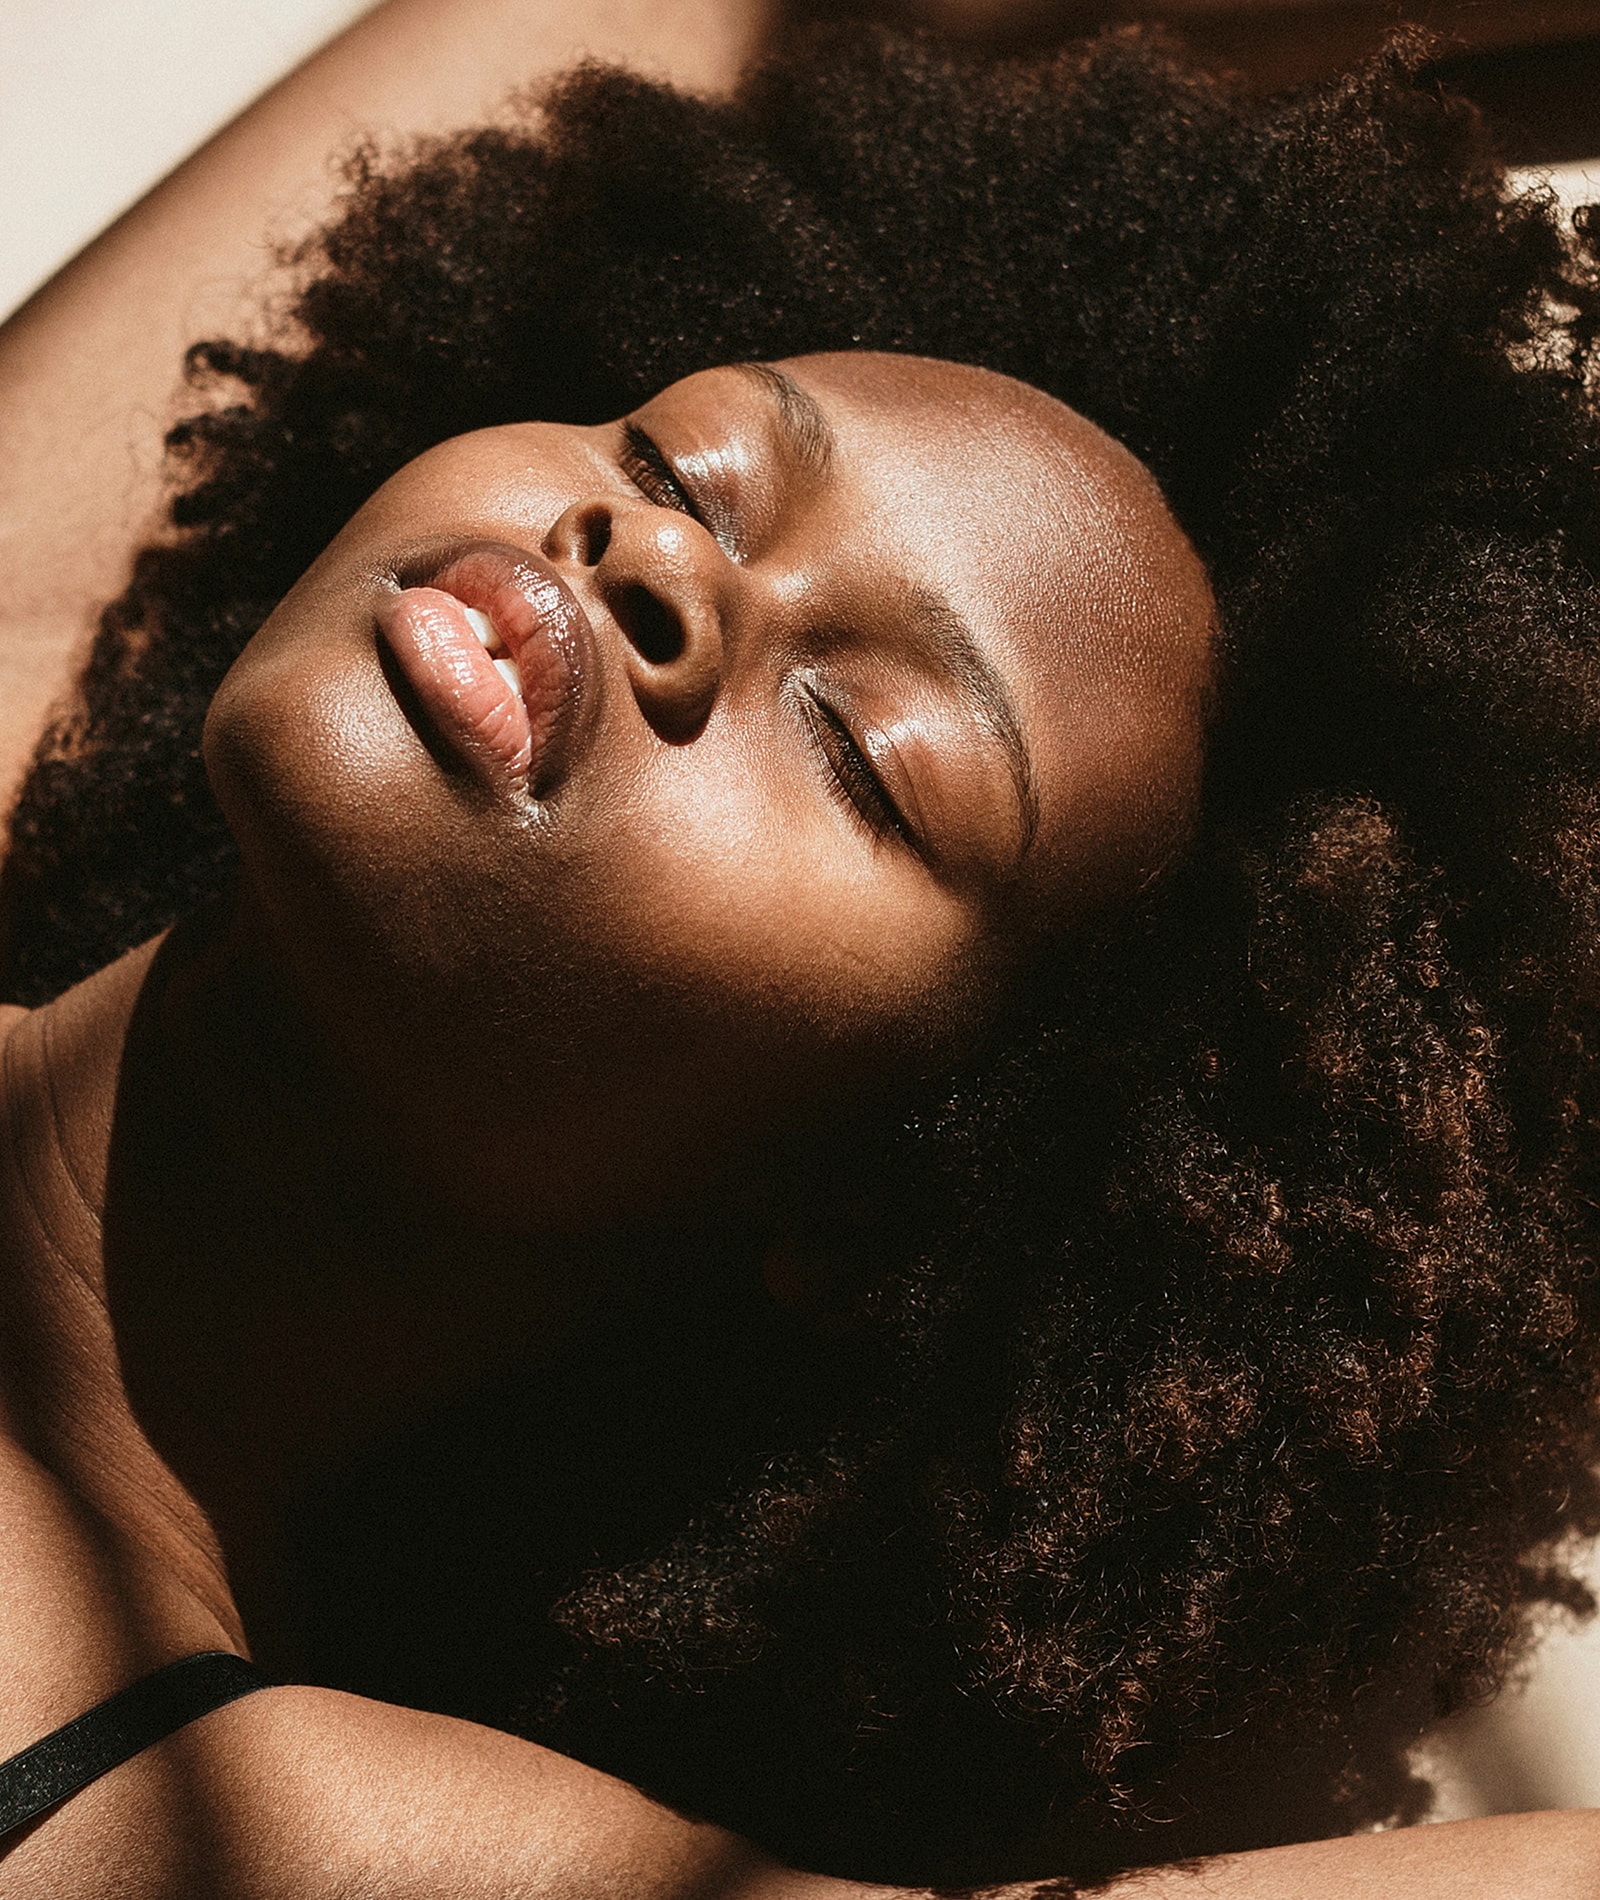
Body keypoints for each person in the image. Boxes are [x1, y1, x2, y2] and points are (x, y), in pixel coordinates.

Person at [1, 2, 1599, 1893]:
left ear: (875, 1212)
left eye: (860, 750)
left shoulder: (238, 1835)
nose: (663, 562)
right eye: (680, 463)